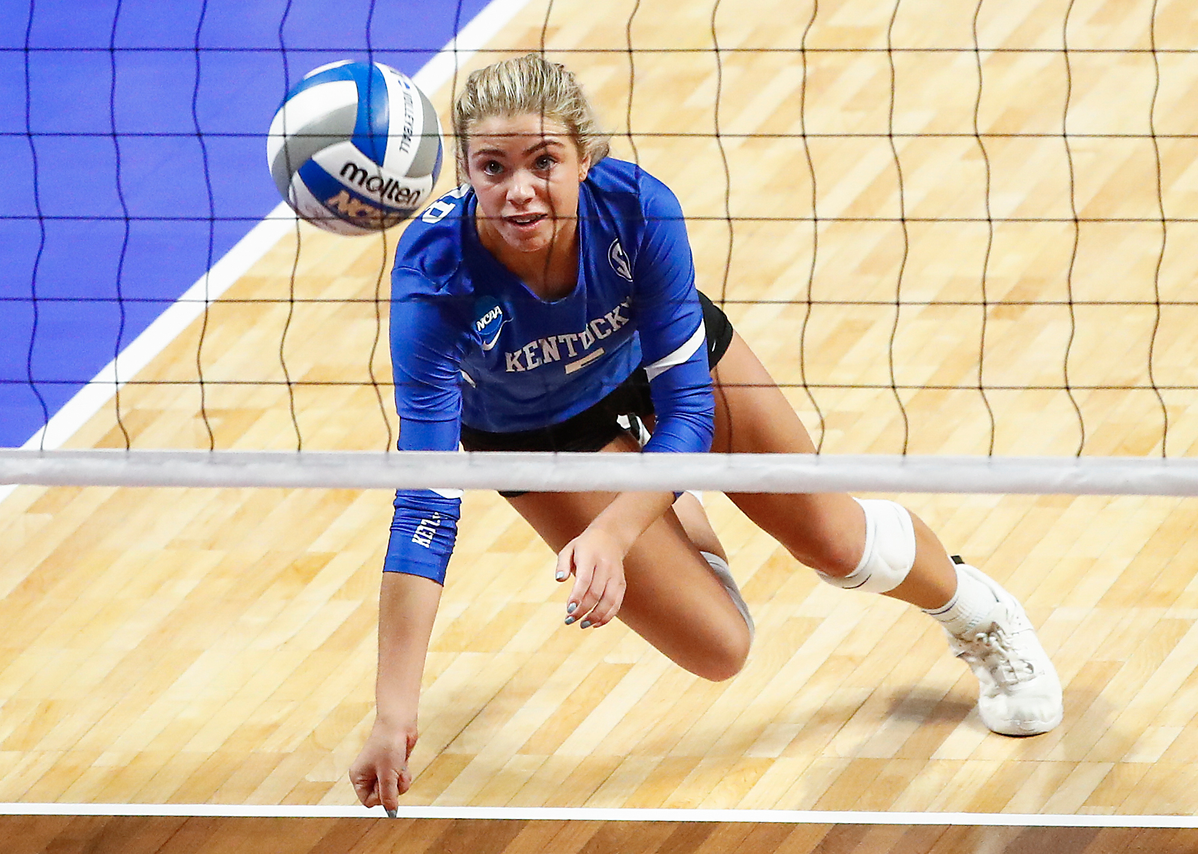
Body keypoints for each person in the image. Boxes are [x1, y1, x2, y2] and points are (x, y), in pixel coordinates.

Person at [349, 53, 1062, 812]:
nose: (519, 189)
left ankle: (980, 614)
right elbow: (426, 504)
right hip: (537, 428)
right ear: (465, 171)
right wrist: (394, 714)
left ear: (586, 159)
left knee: (835, 540)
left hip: (652, 364)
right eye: (494, 167)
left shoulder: (636, 210)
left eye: (544, 161)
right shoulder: (436, 278)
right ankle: (660, 495)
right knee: (721, 648)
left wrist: (615, 532)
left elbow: (689, 411)